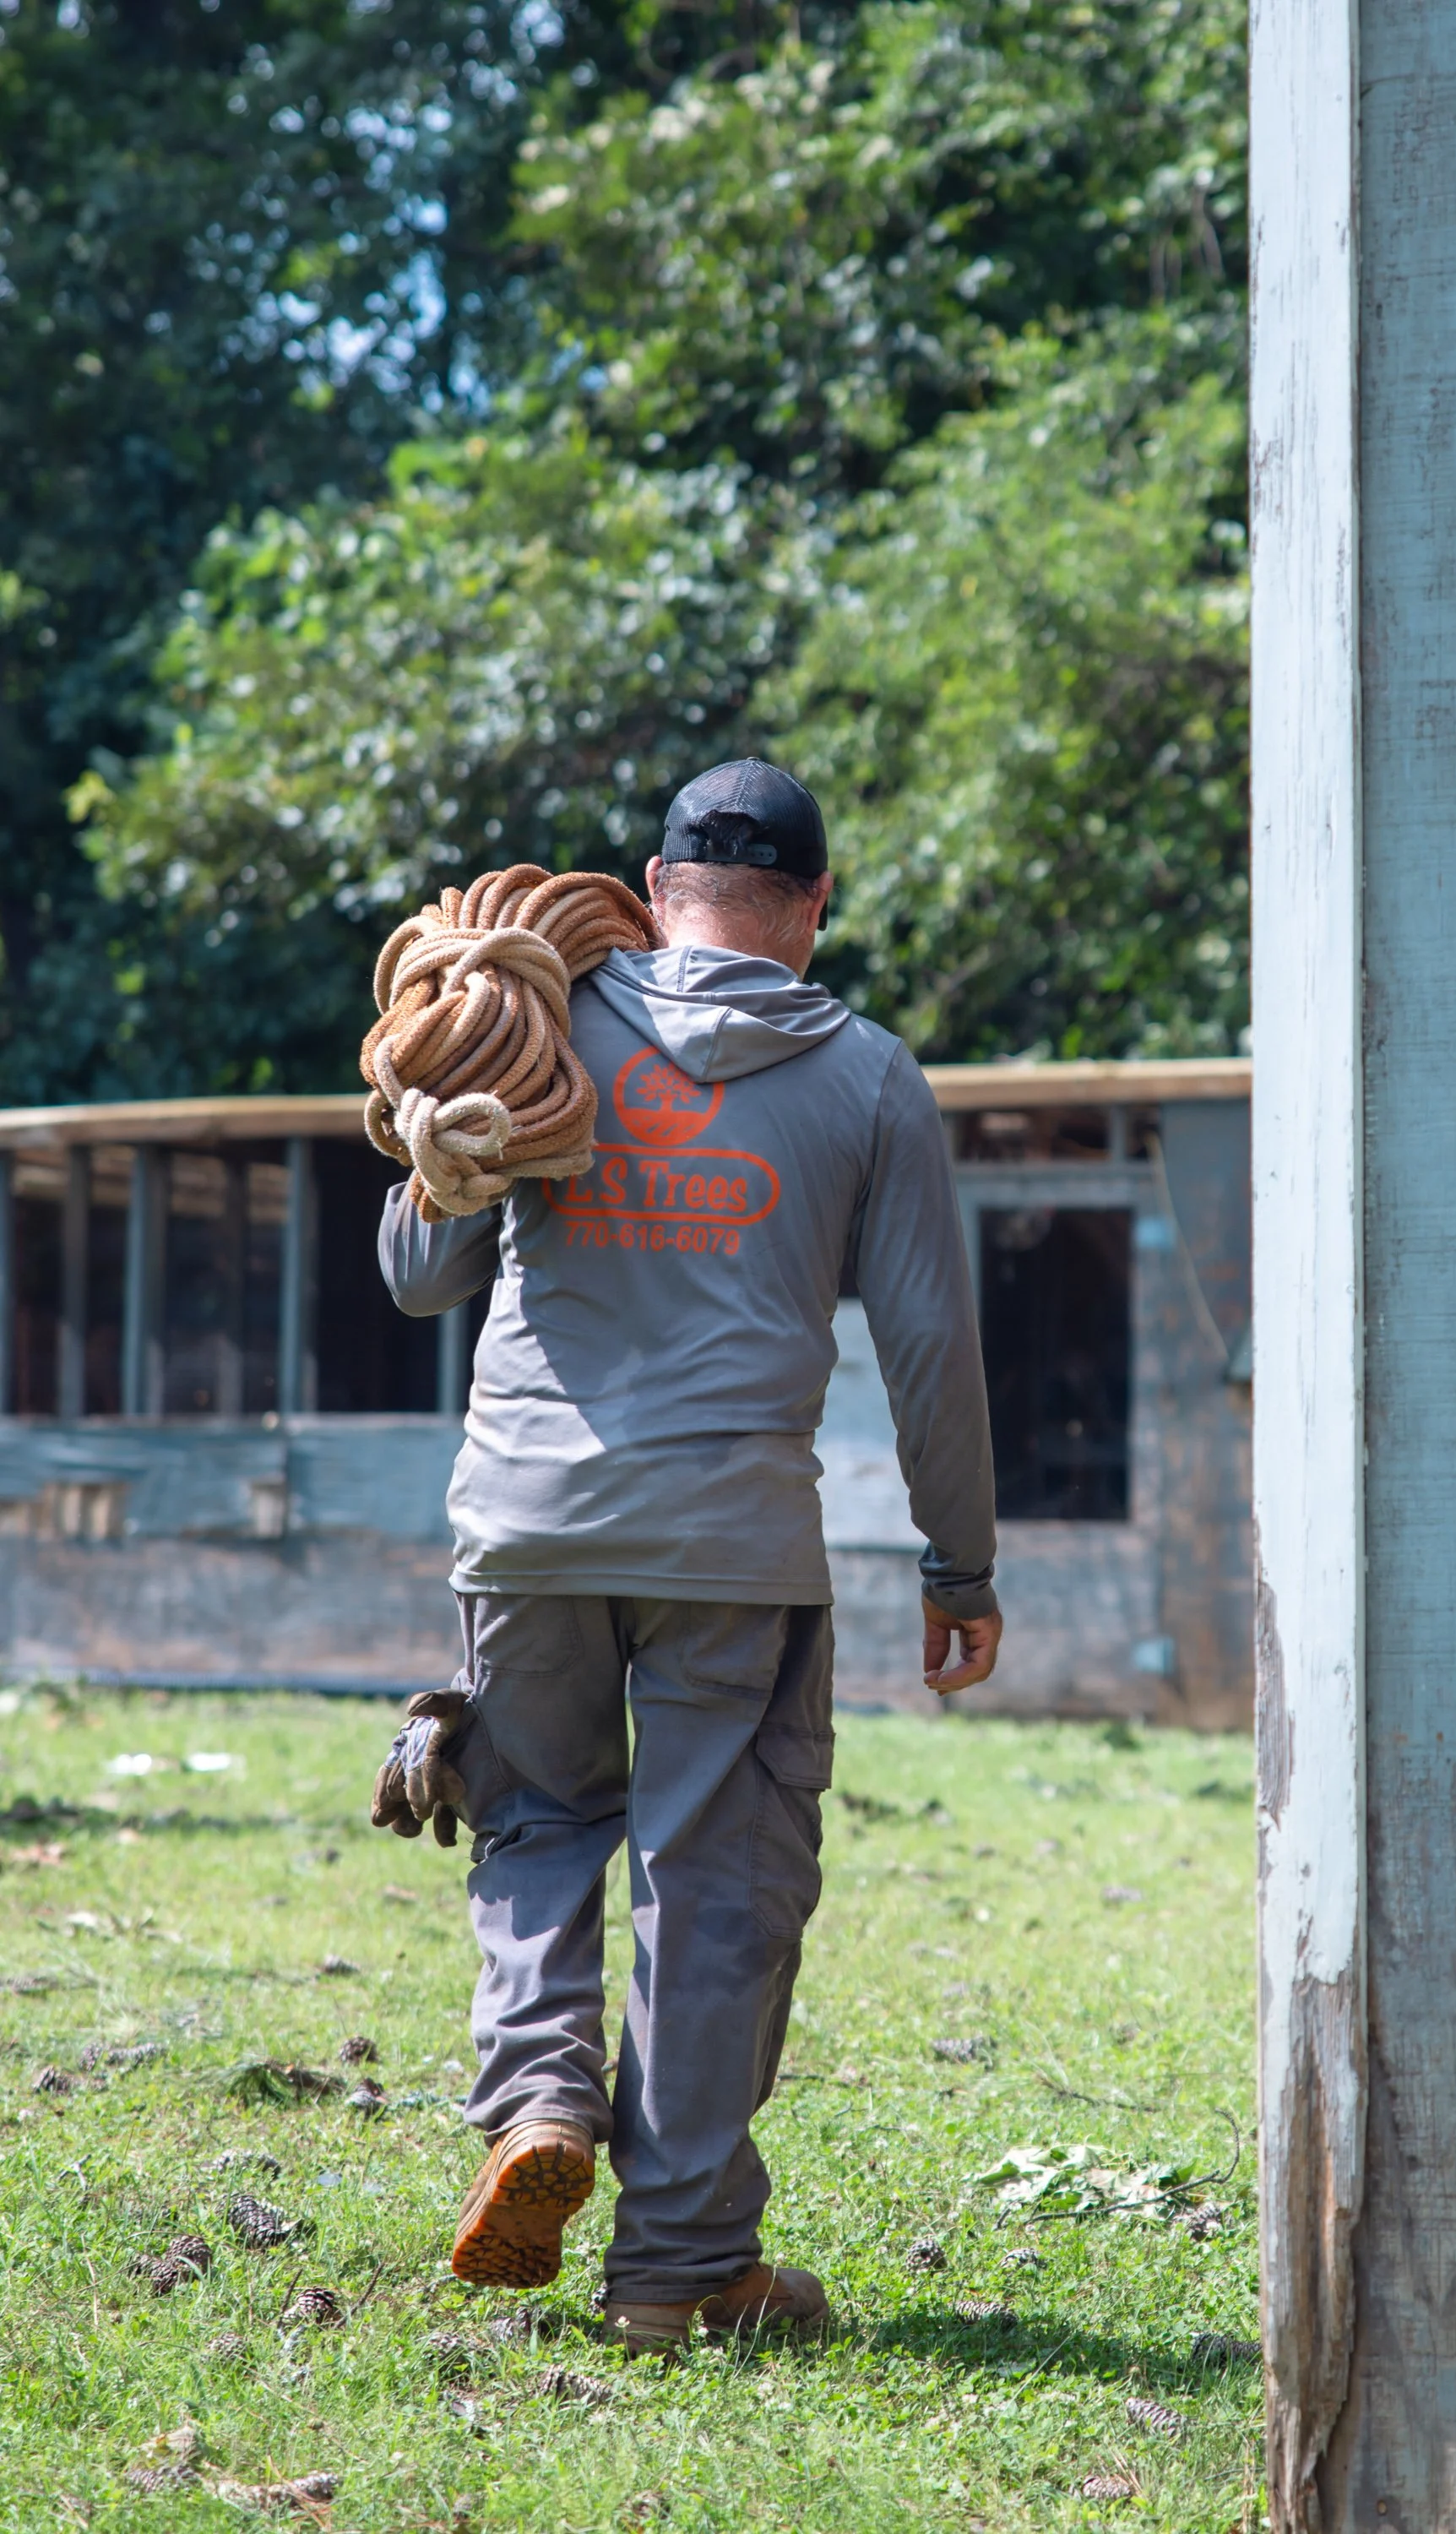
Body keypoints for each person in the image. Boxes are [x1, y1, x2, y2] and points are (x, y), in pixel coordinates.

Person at [371, 759, 1002, 2354]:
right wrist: (959, 1567)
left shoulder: (537, 1024)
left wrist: (456, 1128)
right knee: (717, 1886)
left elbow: (416, 1272)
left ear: (658, 888)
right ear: (816, 906)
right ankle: (680, 2272)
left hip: (525, 1525)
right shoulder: (867, 1077)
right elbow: (930, 1347)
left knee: (531, 1820)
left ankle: (536, 2108)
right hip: (732, 1545)